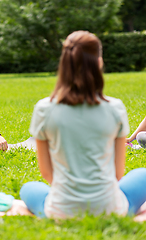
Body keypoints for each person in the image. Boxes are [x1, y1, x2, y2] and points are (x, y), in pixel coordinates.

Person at [19, 31, 146, 219]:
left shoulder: (43, 109)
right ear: (99, 62)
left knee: (29, 188)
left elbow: (46, 172)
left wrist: (72, 196)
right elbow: (118, 173)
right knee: (143, 175)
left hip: (61, 209)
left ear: (64, 63)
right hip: (110, 209)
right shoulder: (115, 108)